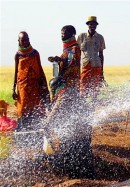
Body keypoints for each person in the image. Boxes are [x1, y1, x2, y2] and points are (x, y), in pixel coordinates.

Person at [46, 25, 94, 178]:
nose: (62, 34)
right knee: (70, 128)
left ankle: (56, 158)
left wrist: (59, 74)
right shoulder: (66, 50)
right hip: (67, 91)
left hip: (68, 91)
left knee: (49, 123)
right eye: (60, 32)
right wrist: (58, 59)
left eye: (65, 32)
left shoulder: (74, 49)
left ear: (72, 34)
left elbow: (72, 64)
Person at [12, 31, 50, 131]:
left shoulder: (35, 53)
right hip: (22, 87)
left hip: (34, 86)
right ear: (19, 41)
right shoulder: (18, 55)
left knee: (36, 107)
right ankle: (23, 131)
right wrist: (13, 89)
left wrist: (42, 85)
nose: (25, 42)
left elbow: (40, 69)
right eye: (23, 40)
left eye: (27, 39)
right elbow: (16, 72)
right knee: (23, 108)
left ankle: (37, 130)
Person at [77, 16, 106, 100]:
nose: (92, 26)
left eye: (94, 24)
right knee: (83, 87)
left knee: (95, 88)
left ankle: (94, 104)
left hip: (97, 65)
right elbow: (77, 52)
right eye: (90, 24)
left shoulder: (100, 37)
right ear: (88, 25)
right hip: (86, 65)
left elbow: (101, 54)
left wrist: (102, 71)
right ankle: (83, 105)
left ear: (96, 25)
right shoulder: (81, 36)